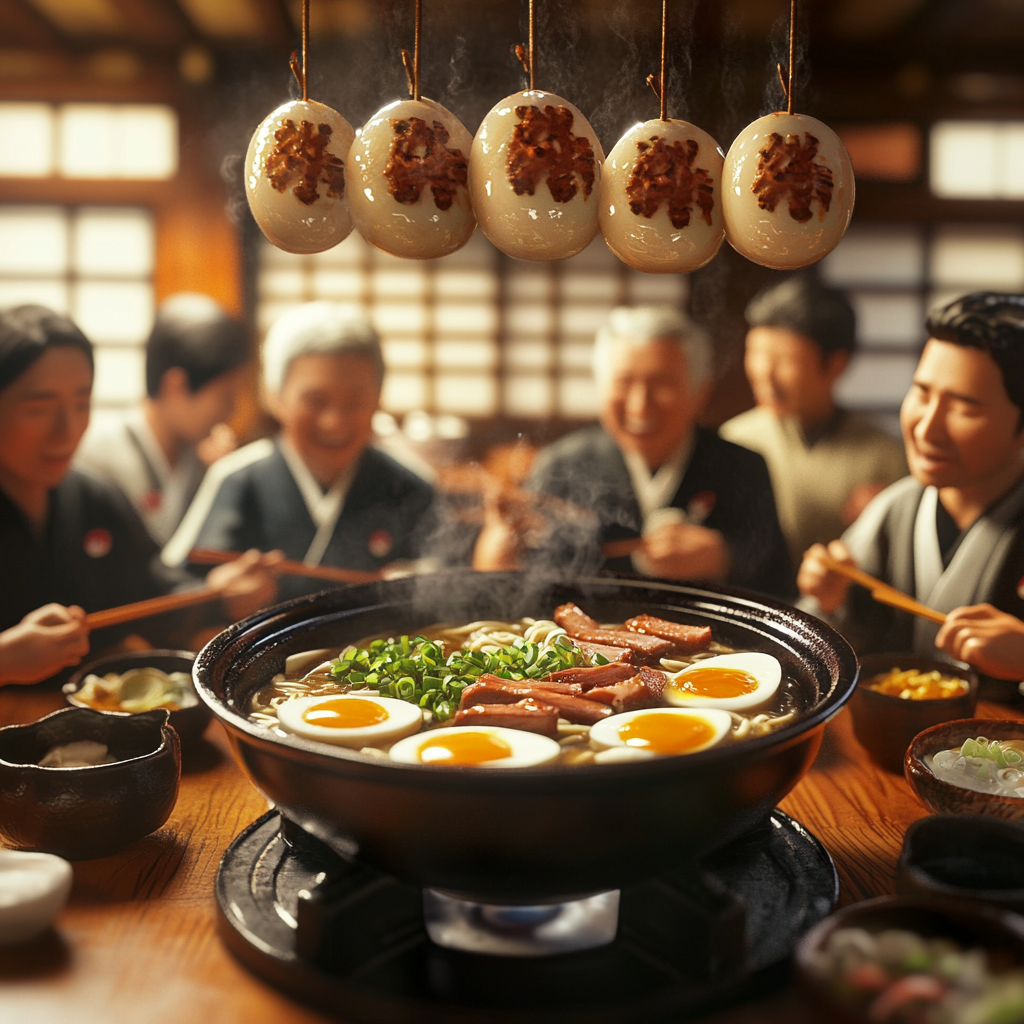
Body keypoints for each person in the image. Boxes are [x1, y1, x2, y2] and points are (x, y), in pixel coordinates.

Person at [0, 304, 279, 687]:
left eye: (81, 404)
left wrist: (218, 593)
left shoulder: (91, 495)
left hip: (98, 726)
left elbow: (154, 592)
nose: (67, 430)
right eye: (39, 408)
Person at [473, 305, 794, 598]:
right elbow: (513, 583)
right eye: (624, 383)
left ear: (700, 392)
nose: (640, 406)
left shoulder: (742, 467)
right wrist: (501, 541)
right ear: (600, 388)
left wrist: (724, 558)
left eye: (661, 384)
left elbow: (780, 581)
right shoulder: (562, 464)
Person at [798, 292, 1024, 658]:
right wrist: (827, 600)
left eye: (965, 407)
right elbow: (818, 649)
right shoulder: (894, 509)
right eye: (921, 392)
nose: (927, 428)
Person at [163, 302, 437, 595]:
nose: (334, 422)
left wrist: (420, 583)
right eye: (315, 401)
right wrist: (217, 595)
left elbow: (450, 578)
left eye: (355, 402)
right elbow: (172, 585)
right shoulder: (238, 478)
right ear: (274, 397)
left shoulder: (410, 484)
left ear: (379, 398)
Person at [720, 275, 906, 564]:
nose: (763, 372)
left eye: (784, 360)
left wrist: (883, 521)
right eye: (755, 353)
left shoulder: (885, 456)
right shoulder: (734, 440)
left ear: (835, 365)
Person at [75, 293, 250, 545]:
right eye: (225, 395)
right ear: (175, 385)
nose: (231, 411)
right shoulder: (96, 457)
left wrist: (222, 482)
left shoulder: (204, 459)